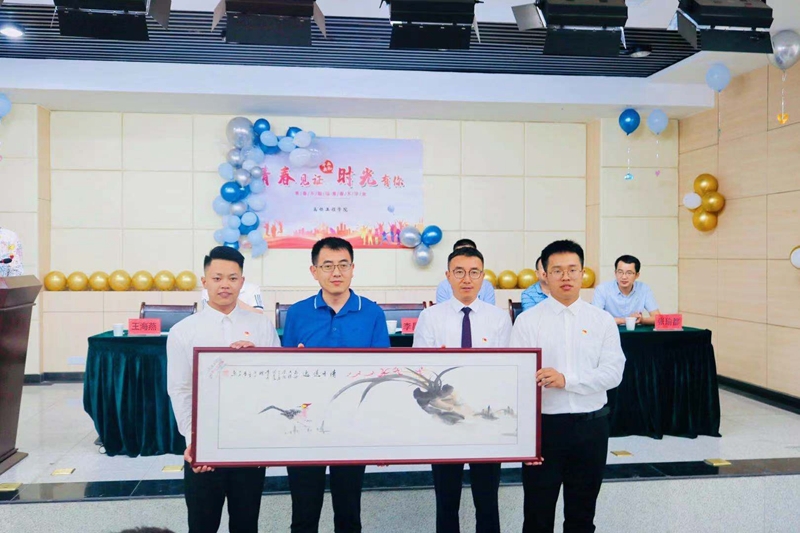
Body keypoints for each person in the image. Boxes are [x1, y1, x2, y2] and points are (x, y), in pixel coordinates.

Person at [510, 240, 624, 533]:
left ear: (583, 273)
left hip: (591, 428)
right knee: (537, 517)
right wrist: (525, 441)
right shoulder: (527, 321)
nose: (566, 277)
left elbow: (613, 373)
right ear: (544, 275)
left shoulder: (602, 321)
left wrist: (567, 380)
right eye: (557, 270)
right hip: (545, 430)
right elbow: (517, 381)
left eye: (573, 269)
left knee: (582, 517)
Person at [167, 246, 281, 533]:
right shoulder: (183, 331)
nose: (225, 285)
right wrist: (195, 441)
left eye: (232, 278)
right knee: (202, 524)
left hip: (248, 443)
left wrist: (256, 360)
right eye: (217, 278)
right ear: (204, 282)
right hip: (205, 444)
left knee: (246, 523)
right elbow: (180, 390)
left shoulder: (262, 327)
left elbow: (276, 382)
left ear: (242, 282)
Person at [281, 236, 390, 533]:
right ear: (314, 271)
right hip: (305, 424)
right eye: (327, 266)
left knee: (348, 512)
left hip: (352, 424)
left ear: (353, 269)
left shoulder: (372, 313)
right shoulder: (297, 313)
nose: (336, 272)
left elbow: (381, 378)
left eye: (343, 265)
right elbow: (284, 374)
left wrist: (380, 434)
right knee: (304, 513)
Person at [414, 246, 512, 533]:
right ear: (448, 276)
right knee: (446, 499)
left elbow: (508, 370)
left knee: (487, 498)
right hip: (444, 418)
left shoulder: (499, 318)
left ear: (483, 277)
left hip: (486, 417)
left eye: (474, 272)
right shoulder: (430, 317)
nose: (466, 279)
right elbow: (422, 370)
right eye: (459, 272)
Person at [592, 254, 661, 325]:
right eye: (620, 272)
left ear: (637, 275)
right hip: (610, 330)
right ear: (615, 273)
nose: (624, 277)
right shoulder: (602, 289)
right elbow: (595, 319)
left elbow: (658, 318)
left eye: (629, 273)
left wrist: (642, 320)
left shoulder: (643, 289)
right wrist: (627, 320)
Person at [435, 239, 496, 305]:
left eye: (469, 252)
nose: (467, 280)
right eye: (460, 252)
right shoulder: (443, 286)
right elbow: (443, 309)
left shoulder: (487, 286)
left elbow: (489, 309)